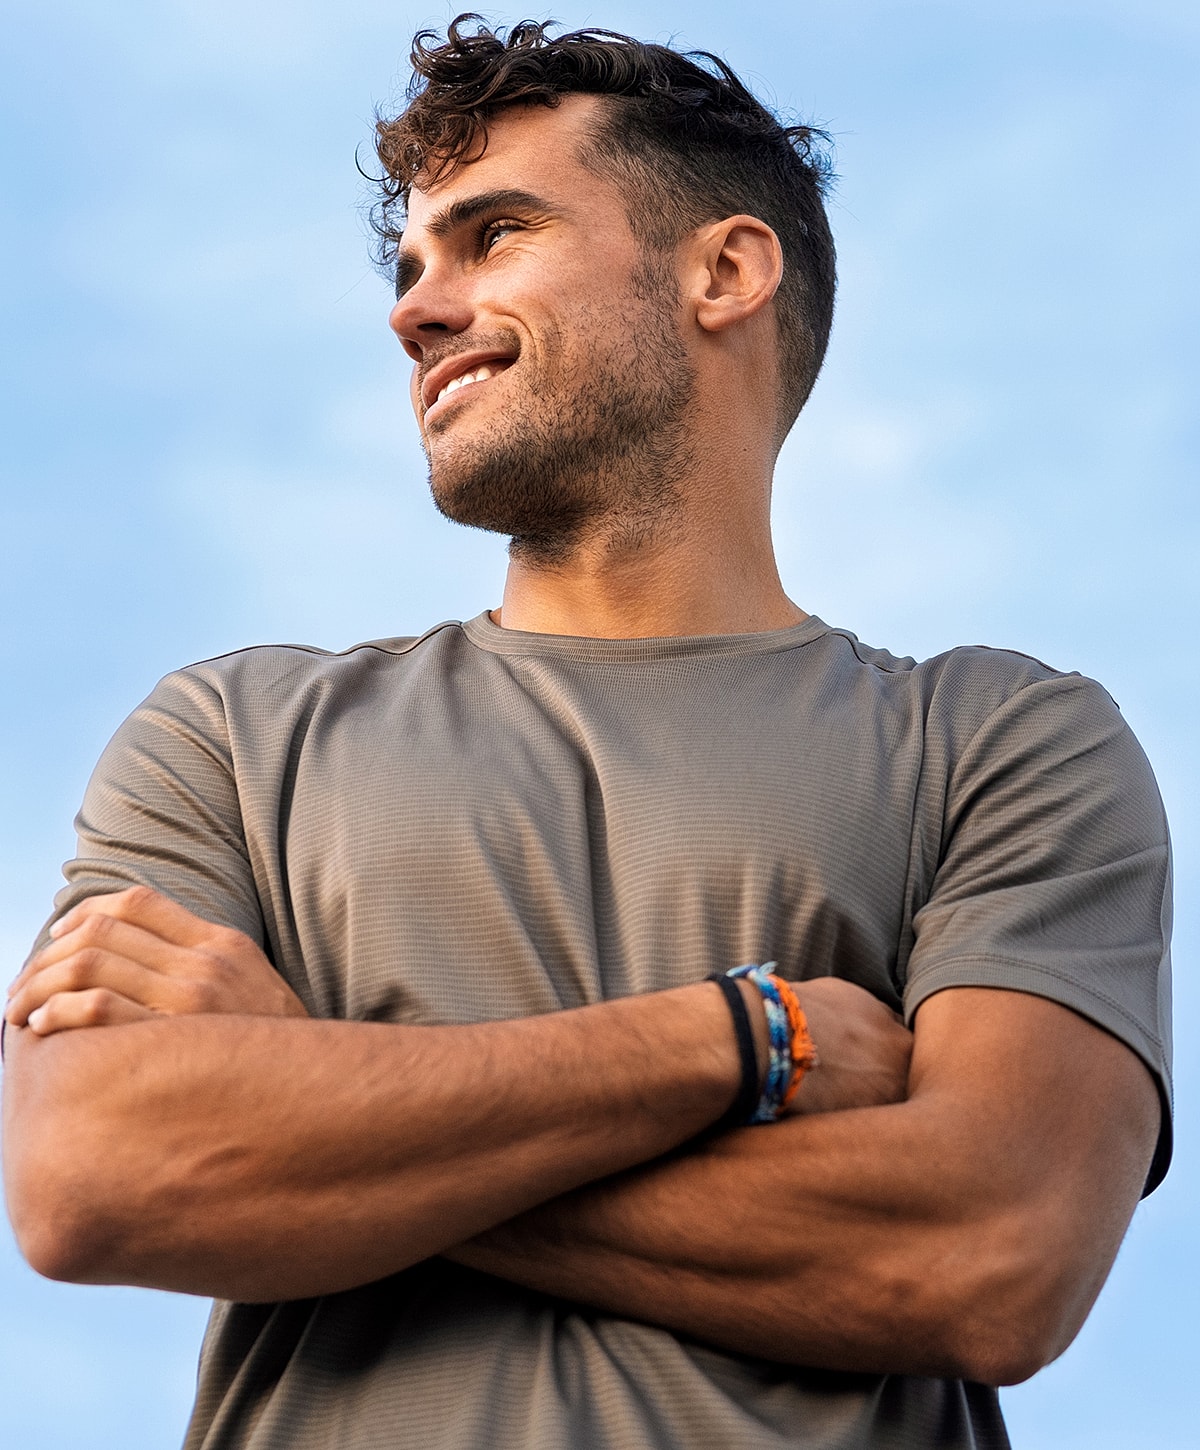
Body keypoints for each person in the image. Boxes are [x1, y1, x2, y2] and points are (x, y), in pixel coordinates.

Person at [3, 17, 1172, 1450]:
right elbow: (91, 1173)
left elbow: (988, 1257)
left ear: (724, 273)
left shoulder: (1000, 742)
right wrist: (742, 1037)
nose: (415, 312)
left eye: (493, 235)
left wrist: (313, 1095)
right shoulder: (234, 739)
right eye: (408, 266)